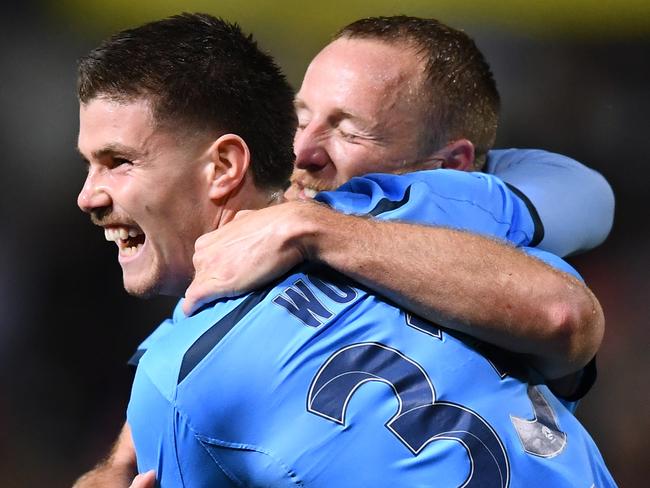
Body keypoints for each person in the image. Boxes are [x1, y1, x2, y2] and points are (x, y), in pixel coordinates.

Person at [73, 13, 615, 487]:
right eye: (300, 117)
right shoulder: (413, 205)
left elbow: (565, 306)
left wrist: (306, 226)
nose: (304, 152)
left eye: (118, 162)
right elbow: (580, 191)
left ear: (225, 166)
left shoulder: (177, 378)